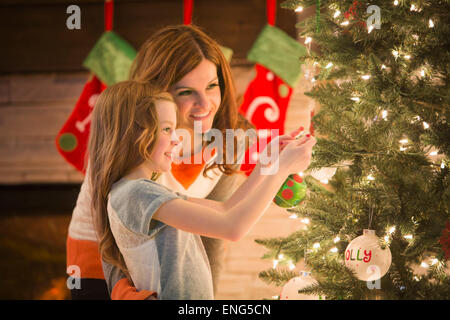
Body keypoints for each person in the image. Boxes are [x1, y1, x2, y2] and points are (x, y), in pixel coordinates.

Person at [67, 24, 253, 300]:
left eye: (212, 86)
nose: (205, 104)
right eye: (185, 92)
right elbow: (114, 223)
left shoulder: (230, 141)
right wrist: (123, 290)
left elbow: (213, 232)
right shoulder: (131, 140)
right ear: (155, 95)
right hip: (102, 263)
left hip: (160, 265)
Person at [88, 80, 316, 299]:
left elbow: (225, 208)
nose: (177, 139)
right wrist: (283, 167)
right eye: (167, 129)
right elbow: (232, 227)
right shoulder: (136, 195)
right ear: (134, 134)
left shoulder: (144, 191)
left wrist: (269, 163)